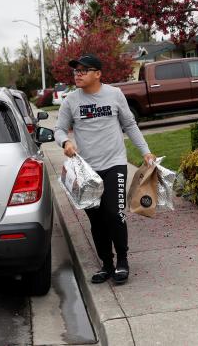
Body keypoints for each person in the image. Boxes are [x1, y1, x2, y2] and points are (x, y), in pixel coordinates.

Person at [54, 54, 155, 285]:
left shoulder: (114, 94)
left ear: (98, 74)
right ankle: (106, 265)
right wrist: (66, 142)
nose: (77, 74)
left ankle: (122, 261)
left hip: (114, 164)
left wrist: (145, 151)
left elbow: (129, 124)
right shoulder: (71, 100)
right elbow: (59, 129)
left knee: (115, 214)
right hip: (87, 171)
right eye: (75, 71)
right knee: (97, 220)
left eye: (83, 70)